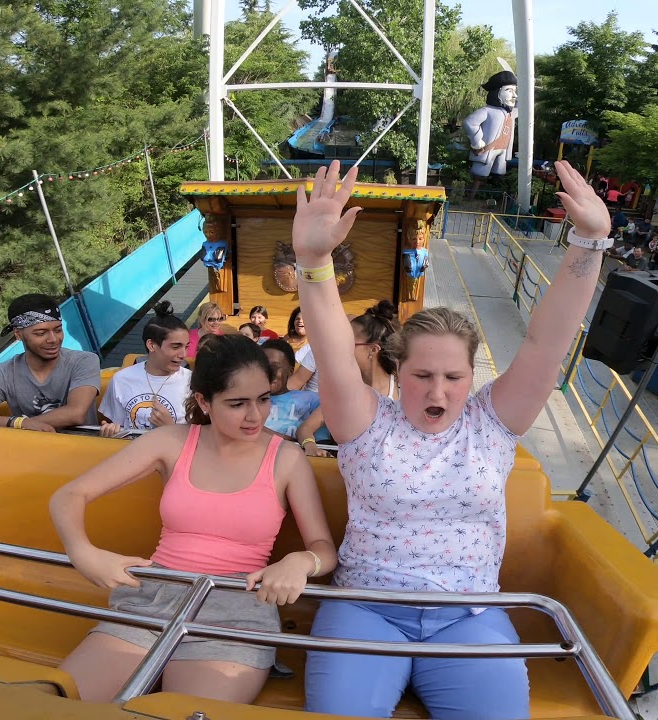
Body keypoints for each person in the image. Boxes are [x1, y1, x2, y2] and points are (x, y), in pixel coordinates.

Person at [291, 159, 609, 719]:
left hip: (469, 613)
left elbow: (545, 346)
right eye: (422, 376)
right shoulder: (367, 422)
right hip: (368, 607)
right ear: (398, 371)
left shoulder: (491, 422)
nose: (437, 390)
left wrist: (587, 244)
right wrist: (314, 261)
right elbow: (335, 351)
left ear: (471, 379)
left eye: (454, 377)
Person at [50, 334, 338, 704]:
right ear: (204, 400)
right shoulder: (171, 442)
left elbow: (323, 549)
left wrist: (300, 561)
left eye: (263, 399)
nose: (256, 416)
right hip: (155, 595)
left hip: (237, 607)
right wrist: (83, 551)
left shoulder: (286, 459)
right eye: (237, 404)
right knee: (63, 706)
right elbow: (69, 495)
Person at [0, 293, 100, 432]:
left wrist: (21, 423)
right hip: (29, 449)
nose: (53, 339)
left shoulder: (84, 361)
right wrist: (19, 423)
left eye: (57, 330)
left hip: (82, 446)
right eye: (40, 333)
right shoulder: (4, 373)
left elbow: (76, 413)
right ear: (18, 334)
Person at [298, 300, 402, 457]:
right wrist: (310, 444)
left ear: (372, 350)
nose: (339, 348)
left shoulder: (402, 390)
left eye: (347, 343)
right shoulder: (343, 390)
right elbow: (305, 428)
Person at [99, 301, 192, 436]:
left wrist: (170, 427)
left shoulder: (193, 382)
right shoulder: (121, 379)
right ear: (152, 345)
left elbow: (201, 437)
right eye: (176, 347)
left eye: (186, 347)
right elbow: (114, 424)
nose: (183, 355)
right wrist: (110, 431)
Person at [260, 338, 321, 441]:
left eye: (276, 367)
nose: (269, 372)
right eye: (263, 366)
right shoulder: (246, 402)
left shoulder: (311, 400)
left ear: (290, 371)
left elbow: (321, 444)